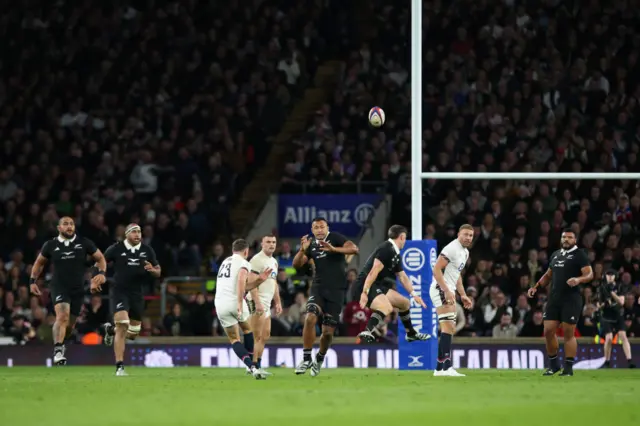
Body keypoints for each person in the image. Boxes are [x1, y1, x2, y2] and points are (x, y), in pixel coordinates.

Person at [29, 217, 107, 365]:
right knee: (62, 316)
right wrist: (32, 281)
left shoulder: (84, 242)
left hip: (77, 289)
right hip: (59, 286)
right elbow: (39, 263)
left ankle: (62, 342)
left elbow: (101, 258)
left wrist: (101, 274)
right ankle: (58, 350)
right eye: (65, 224)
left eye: (71, 224)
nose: (69, 227)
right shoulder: (51, 245)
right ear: (59, 228)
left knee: (70, 326)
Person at [292, 217, 359, 376]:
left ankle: (319, 358)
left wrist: (334, 249)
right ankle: (306, 358)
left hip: (337, 291)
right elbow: (296, 265)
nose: (319, 230)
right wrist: (302, 250)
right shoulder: (311, 244)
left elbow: (354, 249)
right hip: (318, 287)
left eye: (322, 227)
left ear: (327, 228)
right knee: (310, 318)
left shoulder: (335, 238)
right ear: (312, 230)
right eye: (316, 227)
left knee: (327, 333)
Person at [528, 229, 594, 376]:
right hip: (554, 298)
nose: (566, 240)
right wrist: (536, 287)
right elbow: (548, 274)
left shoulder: (579, 255)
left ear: (575, 240)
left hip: (571, 298)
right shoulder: (556, 255)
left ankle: (569, 368)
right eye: (564, 237)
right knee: (548, 331)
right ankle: (554, 365)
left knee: (568, 333)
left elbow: (590, 274)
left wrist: (578, 280)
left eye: (570, 237)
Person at [99, 223, 162, 376]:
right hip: (119, 291)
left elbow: (158, 271)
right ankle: (119, 366)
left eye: (139, 231)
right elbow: (100, 260)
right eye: (134, 231)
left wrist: (153, 271)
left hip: (137, 294)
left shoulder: (147, 250)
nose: (137, 234)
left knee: (133, 333)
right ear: (126, 234)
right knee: (123, 324)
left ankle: (109, 330)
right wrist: (99, 274)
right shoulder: (116, 248)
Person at [356, 224, 431, 344]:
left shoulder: (395, 253)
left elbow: (402, 276)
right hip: (366, 284)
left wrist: (414, 294)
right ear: (401, 237)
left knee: (404, 303)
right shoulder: (386, 249)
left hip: (378, 285)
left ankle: (411, 334)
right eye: (405, 238)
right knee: (386, 307)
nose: (405, 241)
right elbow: (373, 272)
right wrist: (364, 292)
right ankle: (367, 331)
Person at [214, 239, 273, 380]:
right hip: (235, 301)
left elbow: (241, 285)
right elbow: (241, 281)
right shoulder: (243, 263)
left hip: (220, 304)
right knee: (248, 331)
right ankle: (253, 365)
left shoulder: (224, 262)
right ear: (246, 251)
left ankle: (250, 367)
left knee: (234, 339)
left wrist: (259, 280)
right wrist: (240, 302)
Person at [430, 224, 475, 377]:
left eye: (471, 235)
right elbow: (436, 269)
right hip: (440, 289)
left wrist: (462, 294)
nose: (468, 238)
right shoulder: (452, 248)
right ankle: (445, 367)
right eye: (466, 234)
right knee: (448, 327)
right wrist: (446, 290)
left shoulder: (465, 252)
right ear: (458, 234)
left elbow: (457, 275)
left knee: (449, 328)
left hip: (448, 289)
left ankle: (440, 368)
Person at [247, 235, 282, 375]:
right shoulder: (256, 260)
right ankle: (252, 366)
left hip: (267, 303)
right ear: (262, 244)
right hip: (257, 301)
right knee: (256, 336)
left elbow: (274, 283)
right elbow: (251, 282)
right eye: (268, 242)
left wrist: (278, 302)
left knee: (265, 335)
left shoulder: (274, 261)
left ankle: (258, 364)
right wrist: (257, 302)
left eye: (274, 242)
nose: (271, 244)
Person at [597, 270, 635, 368]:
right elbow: (599, 304)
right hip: (606, 316)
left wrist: (612, 293)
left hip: (618, 315)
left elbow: (621, 302)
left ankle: (629, 361)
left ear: (615, 276)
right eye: (608, 275)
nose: (609, 277)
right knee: (609, 338)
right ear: (605, 277)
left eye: (612, 275)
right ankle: (607, 362)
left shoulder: (619, 286)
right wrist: (603, 304)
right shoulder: (602, 288)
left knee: (623, 336)